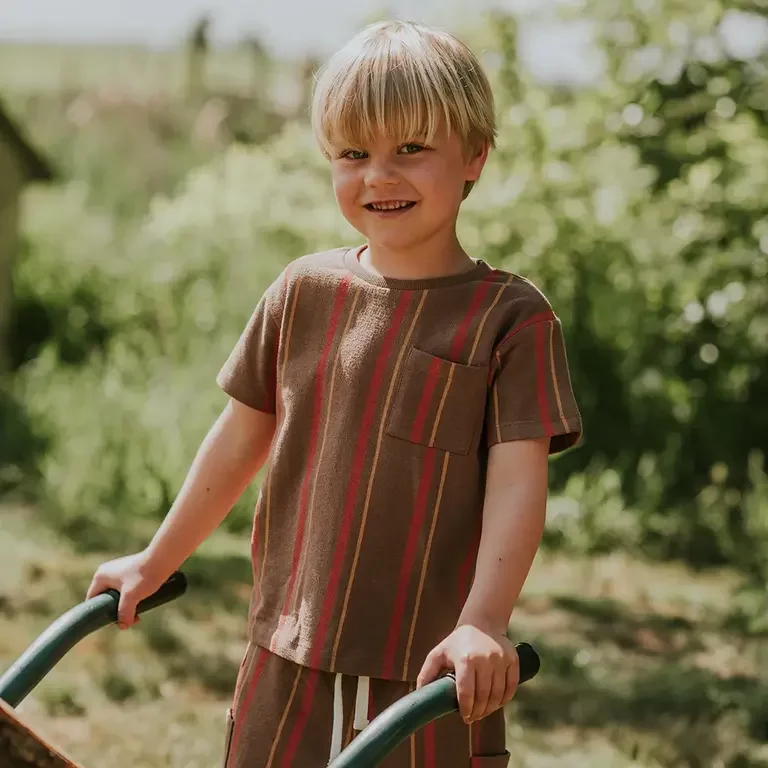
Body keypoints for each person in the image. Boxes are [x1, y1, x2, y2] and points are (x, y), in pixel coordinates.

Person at [86, 19, 582, 767]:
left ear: (475, 154)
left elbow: (518, 485)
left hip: (431, 669)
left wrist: (484, 621)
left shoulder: (509, 320)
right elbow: (240, 436)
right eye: (354, 153)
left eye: (410, 149)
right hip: (286, 650)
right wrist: (154, 561)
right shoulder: (304, 292)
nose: (378, 175)